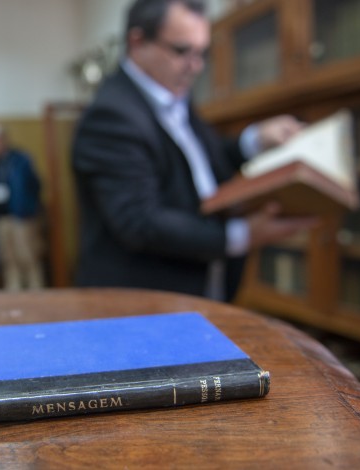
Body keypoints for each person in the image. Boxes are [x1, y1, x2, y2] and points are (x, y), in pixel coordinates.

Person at [72, 0, 315, 301]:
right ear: (137, 41)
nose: (196, 66)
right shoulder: (111, 115)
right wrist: (242, 235)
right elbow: (140, 221)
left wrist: (255, 140)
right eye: (182, 51)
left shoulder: (173, 95)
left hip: (199, 289)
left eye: (202, 53)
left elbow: (199, 165)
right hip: (145, 305)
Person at [0, 122, 45, 291]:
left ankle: (35, 291)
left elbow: (35, 185)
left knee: (27, 256)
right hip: (0, 216)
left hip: (22, 216)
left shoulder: (21, 160)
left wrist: (29, 206)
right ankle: (14, 293)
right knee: (8, 259)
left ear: (2, 140)